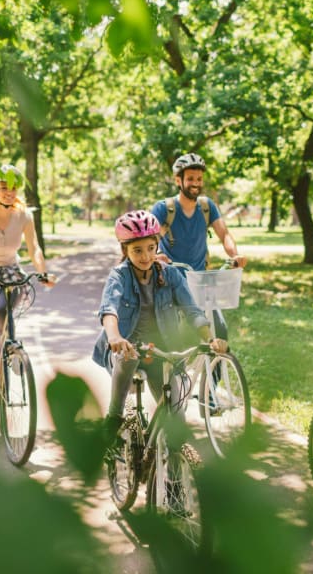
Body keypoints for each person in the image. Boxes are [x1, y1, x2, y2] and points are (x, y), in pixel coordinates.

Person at [91, 210, 228, 441]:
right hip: (126, 347)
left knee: (176, 422)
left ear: (157, 246)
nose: (145, 256)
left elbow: (192, 310)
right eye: (137, 250)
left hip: (159, 350)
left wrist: (210, 338)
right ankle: (114, 417)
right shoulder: (119, 276)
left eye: (150, 248)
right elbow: (109, 310)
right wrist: (114, 337)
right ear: (125, 250)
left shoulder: (171, 275)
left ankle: (173, 473)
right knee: (129, 356)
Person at [0, 164, 55, 420]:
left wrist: (43, 272)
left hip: (9, 273)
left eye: (13, 188)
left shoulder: (23, 215)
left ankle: (11, 351)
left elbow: (34, 247)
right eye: (4, 188)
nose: (9, 193)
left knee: (3, 310)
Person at [151, 152, 247, 339]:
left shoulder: (206, 207)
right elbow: (151, 239)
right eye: (190, 179)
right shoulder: (164, 208)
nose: (196, 183)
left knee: (219, 331)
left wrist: (235, 255)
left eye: (199, 179)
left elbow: (224, 234)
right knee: (173, 337)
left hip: (201, 281)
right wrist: (156, 255)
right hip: (171, 282)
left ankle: (216, 367)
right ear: (178, 181)